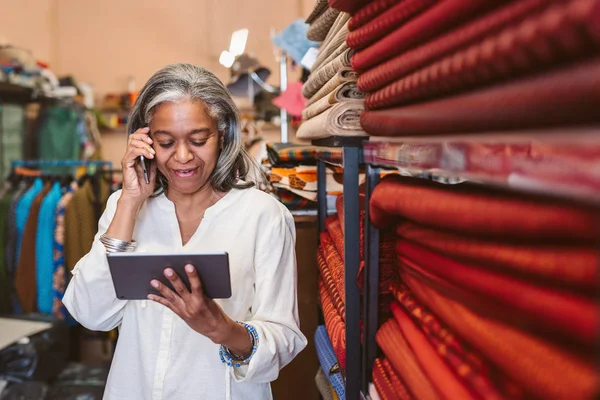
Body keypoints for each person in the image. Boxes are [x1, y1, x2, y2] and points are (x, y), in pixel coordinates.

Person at [62, 63, 307, 400]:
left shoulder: (263, 216)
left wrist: (222, 329)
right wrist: (131, 203)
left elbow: (284, 337)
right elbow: (89, 313)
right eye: (165, 142)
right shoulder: (126, 206)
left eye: (198, 139)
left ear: (222, 134)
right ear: (145, 141)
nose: (182, 157)